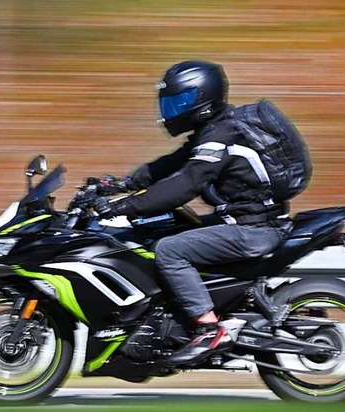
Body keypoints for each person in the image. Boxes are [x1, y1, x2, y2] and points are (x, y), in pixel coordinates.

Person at [95, 60, 295, 366]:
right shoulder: (214, 130)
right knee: (163, 229)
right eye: (170, 102)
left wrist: (122, 206)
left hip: (254, 229)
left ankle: (208, 328)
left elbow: (185, 185)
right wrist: (119, 184)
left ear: (202, 99)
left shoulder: (220, 137)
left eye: (180, 101)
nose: (171, 109)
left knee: (170, 249)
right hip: (245, 221)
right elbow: (169, 165)